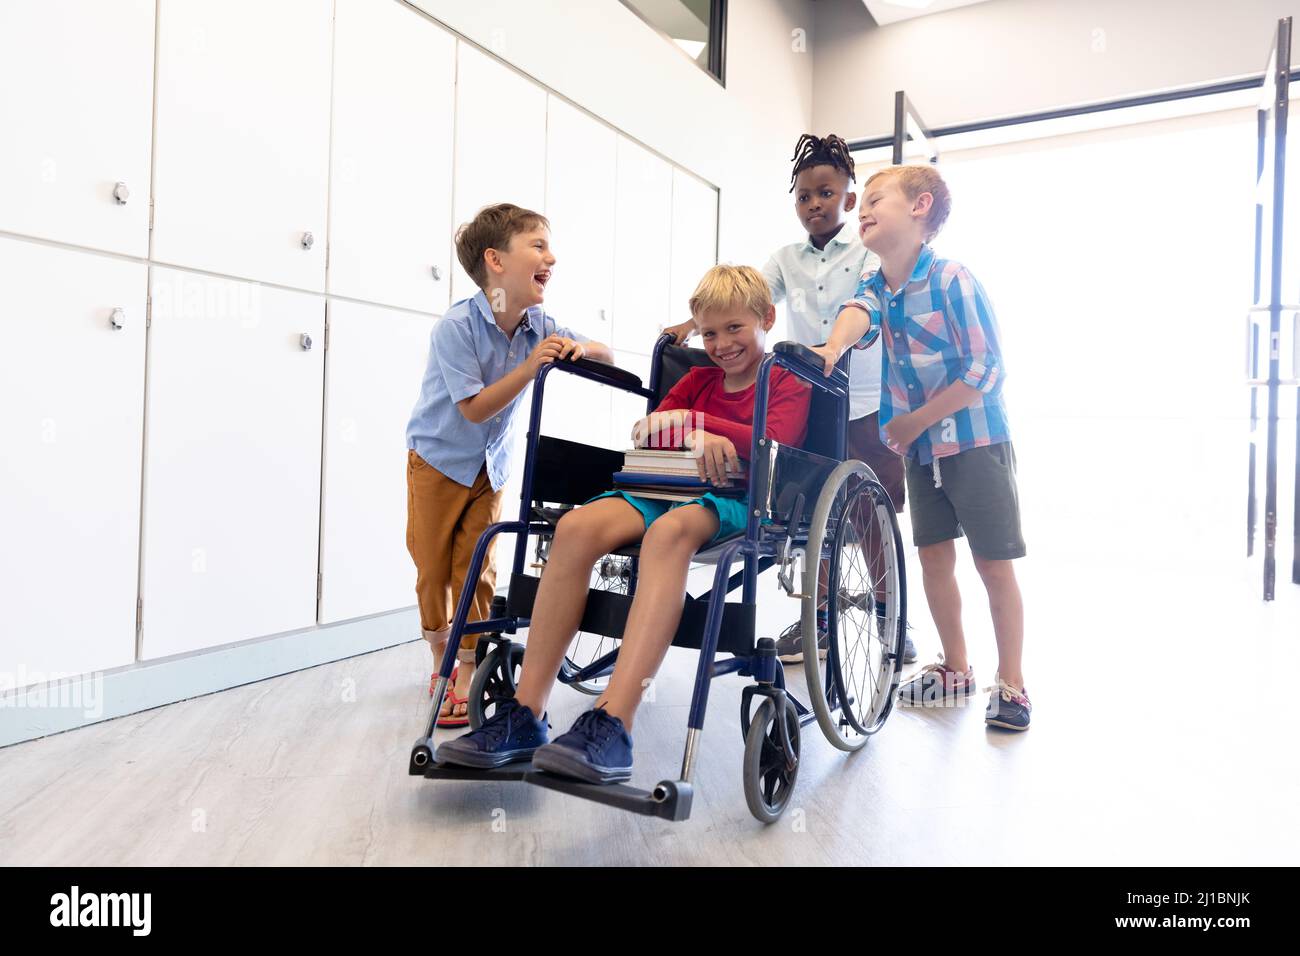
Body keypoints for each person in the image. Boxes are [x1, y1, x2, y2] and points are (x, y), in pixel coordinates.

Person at [435, 264, 812, 779]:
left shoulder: (786, 380)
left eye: (735, 328)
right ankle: (526, 713)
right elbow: (646, 430)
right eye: (709, 333)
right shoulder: (697, 380)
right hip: (661, 487)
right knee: (575, 528)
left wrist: (700, 427)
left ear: (767, 318)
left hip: (735, 499)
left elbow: (775, 441)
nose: (721, 344)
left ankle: (614, 723)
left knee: (668, 534)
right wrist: (682, 427)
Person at [663, 133, 915, 664]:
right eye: (804, 196)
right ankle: (818, 623)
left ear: (849, 199)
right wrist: (693, 323)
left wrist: (836, 344)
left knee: (874, 511)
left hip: (867, 397)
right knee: (811, 510)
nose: (814, 204)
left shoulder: (867, 253)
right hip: (811, 394)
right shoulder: (784, 259)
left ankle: (890, 617)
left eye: (826, 193)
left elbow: (869, 307)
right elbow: (751, 295)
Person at [811, 165, 1030, 731]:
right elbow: (858, 316)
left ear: (919, 207)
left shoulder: (954, 278)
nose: (862, 208)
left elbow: (987, 368)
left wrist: (914, 423)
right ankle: (956, 668)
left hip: (976, 442)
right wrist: (831, 348)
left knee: (992, 564)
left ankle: (1012, 684)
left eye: (876, 198)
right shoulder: (875, 285)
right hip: (920, 451)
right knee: (934, 558)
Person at [406, 203, 612, 726]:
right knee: (433, 568)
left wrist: (577, 348)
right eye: (538, 246)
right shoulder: (456, 327)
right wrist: (530, 366)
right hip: (438, 460)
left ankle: (467, 666)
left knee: (475, 565)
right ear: (495, 261)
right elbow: (474, 408)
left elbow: (605, 354)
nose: (552, 257)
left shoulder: (539, 323)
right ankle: (439, 658)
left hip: (490, 465)